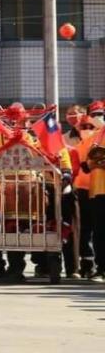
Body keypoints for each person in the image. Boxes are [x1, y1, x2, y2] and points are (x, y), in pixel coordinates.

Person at [63, 105, 92, 278]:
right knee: (75, 228)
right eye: (71, 114)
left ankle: (90, 264)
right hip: (74, 190)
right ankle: (74, 267)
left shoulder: (98, 138)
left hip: (95, 190)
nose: (76, 117)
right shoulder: (64, 139)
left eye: (89, 126)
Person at [78, 109, 105, 281]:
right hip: (97, 190)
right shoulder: (94, 136)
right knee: (99, 231)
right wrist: (94, 161)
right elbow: (84, 164)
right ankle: (101, 268)